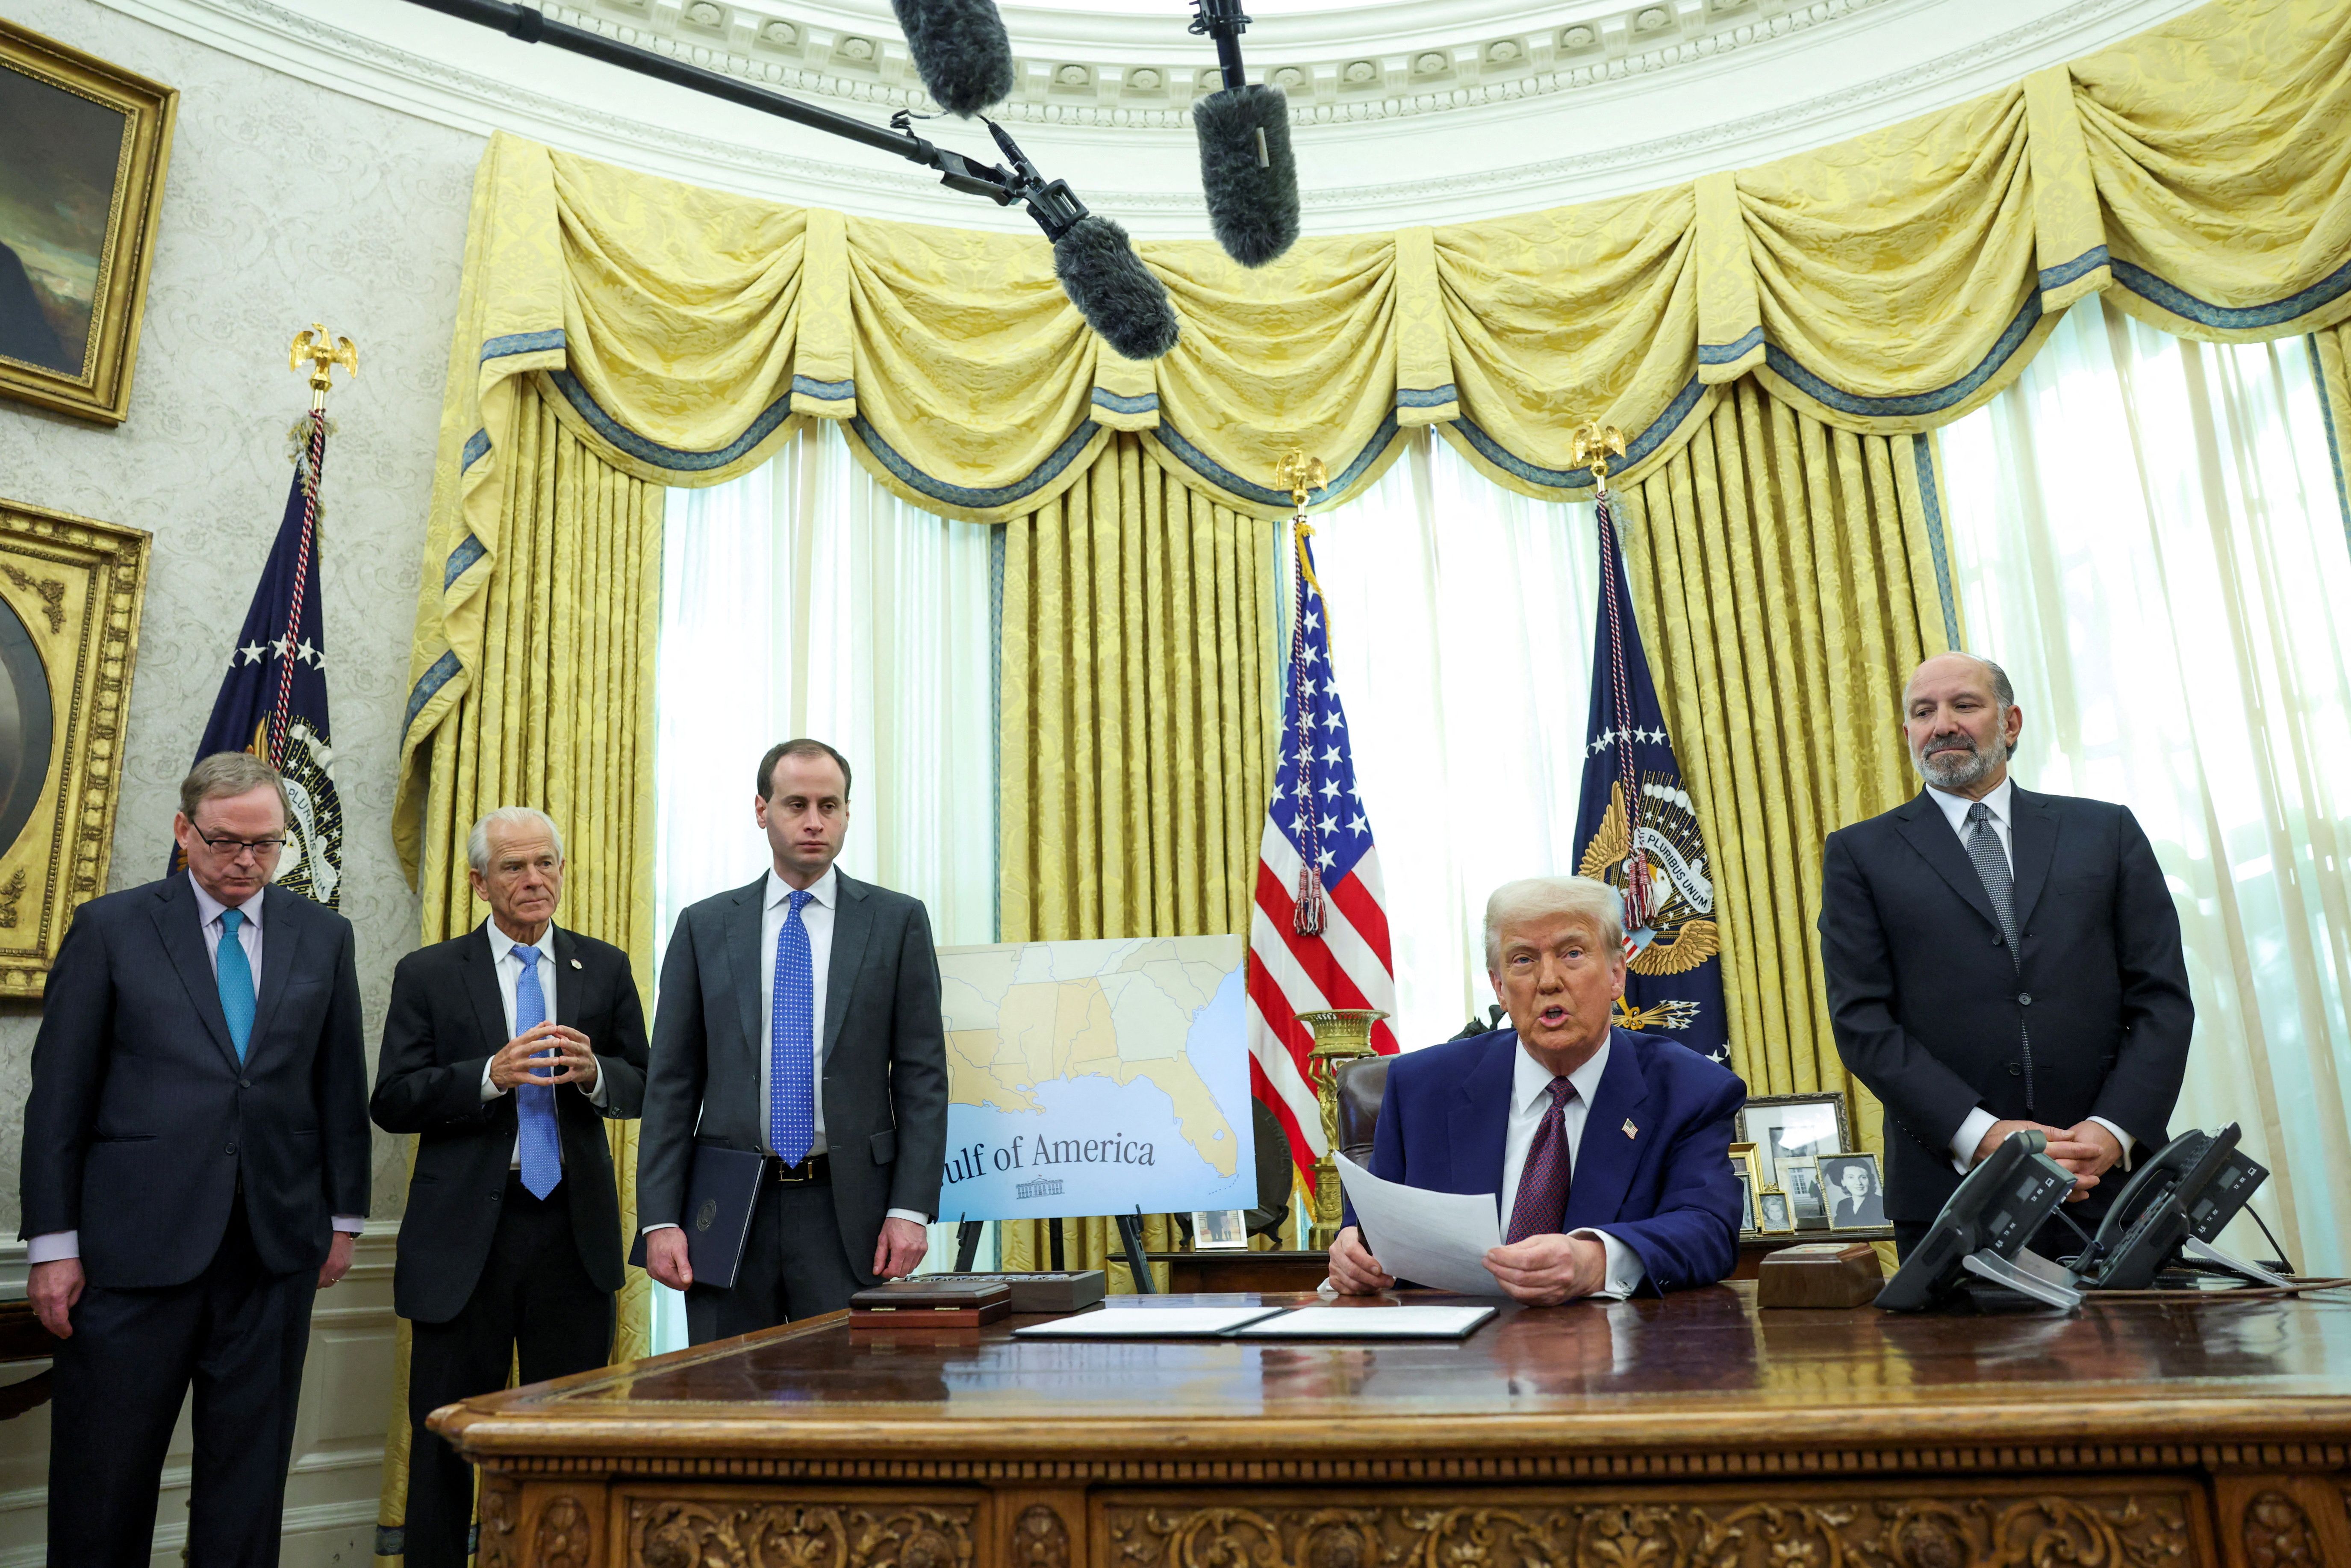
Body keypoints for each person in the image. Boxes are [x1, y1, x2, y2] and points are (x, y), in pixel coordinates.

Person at [21, 753, 371, 1567]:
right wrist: (53, 1245)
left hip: (273, 1250)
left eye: (267, 844)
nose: (246, 861)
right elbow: (59, 1101)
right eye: (225, 842)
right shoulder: (111, 927)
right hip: (131, 1254)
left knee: (247, 1483)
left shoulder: (325, 934)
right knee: (105, 1478)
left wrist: (344, 1219)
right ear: (184, 832)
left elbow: (338, 1083)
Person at [1818, 652, 2193, 1257]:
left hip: (2115, 1187)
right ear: (1908, 732)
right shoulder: (1860, 855)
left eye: (1964, 705)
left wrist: (2112, 1129)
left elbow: (2162, 1001)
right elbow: (1863, 1023)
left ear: (2012, 723)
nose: (1942, 724)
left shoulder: (2106, 832)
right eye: (1923, 711)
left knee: (2143, 1353)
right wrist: (1982, 1134)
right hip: (1953, 1193)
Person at [370, 807, 648, 1568]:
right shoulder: (429, 973)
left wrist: (598, 1076)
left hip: (572, 1233)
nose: (535, 879)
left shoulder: (606, 966)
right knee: (448, 1441)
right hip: (465, 1243)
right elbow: (392, 1098)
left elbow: (647, 1082)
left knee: (569, 1440)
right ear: (479, 880)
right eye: (515, 867)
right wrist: (487, 1076)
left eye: (547, 863)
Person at [637, 740, 948, 1340]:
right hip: (726, 1209)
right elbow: (672, 1085)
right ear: (762, 811)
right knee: (728, 1404)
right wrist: (659, 1220)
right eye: (796, 804)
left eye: (829, 805)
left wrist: (909, 1210)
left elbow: (922, 1078)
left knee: (849, 1406)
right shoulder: (705, 926)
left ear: (848, 814)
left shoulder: (896, 922)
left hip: (849, 1208)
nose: (814, 821)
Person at [1328, 875, 1747, 1302]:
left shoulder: (1690, 1090)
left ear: (1616, 974)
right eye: (1523, 960)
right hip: (1454, 1357)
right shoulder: (1420, 1088)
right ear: (1499, 988)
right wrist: (1352, 1252)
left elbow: (1708, 1229)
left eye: (1572, 953)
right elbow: (1369, 1227)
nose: (1548, 980)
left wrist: (1594, 1261)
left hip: (1615, 1351)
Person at [1825, 1160, 1885, 1228]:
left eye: (1863, 1177)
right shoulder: (1843, 1205)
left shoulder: (1881, 1203)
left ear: (1869, 1181)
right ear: (1843, 1182)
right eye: (1851, 1177)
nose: (1859, 1183)